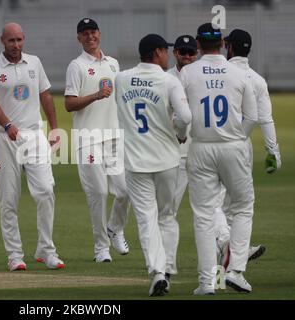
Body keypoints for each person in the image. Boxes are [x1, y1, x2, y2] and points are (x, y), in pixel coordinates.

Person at [179, 23, 258, 295]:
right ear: (223, 43)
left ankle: (206, 282)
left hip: (200, 147)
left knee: (203, 216)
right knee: (243, 207)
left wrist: (181, 134)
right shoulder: (239, 73)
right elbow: (253, 116)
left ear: (199, 45)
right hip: (233, 147)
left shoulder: (187, 72)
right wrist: (238, 137)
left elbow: (180, 115)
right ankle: (235, 271)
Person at [0, 22, 65, 272]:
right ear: (2, 41)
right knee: (8, 199)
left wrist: (54, 127)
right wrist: (7, 125)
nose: (15, 45)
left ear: (24, 39)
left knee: (46, 190)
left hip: (34, 135)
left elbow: (46, 96)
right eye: (11, 41)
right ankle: (15, 255)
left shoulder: (34, 63)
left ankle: (46, 250)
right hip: (4, 139)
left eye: (19, 40)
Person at [115, 34, 191, 296]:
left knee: (146, 218)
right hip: (167, 159)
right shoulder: (169, 80)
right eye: (166, 50)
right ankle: (167, 269)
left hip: (136, 161)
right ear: (156, 52)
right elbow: (185, 116)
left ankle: (157, 272)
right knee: (167, 216)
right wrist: (180, 134)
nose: (168, 55)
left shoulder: (121, 79)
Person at [215, 28, 282, 267]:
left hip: (214, 144)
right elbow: (265, 119)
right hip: (242, 149)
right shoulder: (258, 80)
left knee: (215, 204)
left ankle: (228, 248)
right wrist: (273, 152)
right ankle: (230, 256)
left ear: (229, 47)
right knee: (237, 206)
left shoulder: (221, 73)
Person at [64, 18, 130, 263]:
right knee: (99, 193)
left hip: (113, 137)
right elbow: (69, 103)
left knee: (125, 191)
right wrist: (95, 95)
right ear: (79, 38)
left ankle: (115, 227)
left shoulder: (113, 63)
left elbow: (119, 100)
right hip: (88, 138)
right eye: (85, 33)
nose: (90, 36)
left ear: (99, 34)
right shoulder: (77, 66)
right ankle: (101, 248)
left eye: (93, 32)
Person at [165, 35, 198, 282]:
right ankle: (168, 265)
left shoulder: (201, 76)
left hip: (202, 153)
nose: (187, 57)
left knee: (210, 210)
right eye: (183, 52)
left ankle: (227, 253)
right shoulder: (166, 78)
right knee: (170, 211)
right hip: (175, 155)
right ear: (175, 53)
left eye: (191, 52)